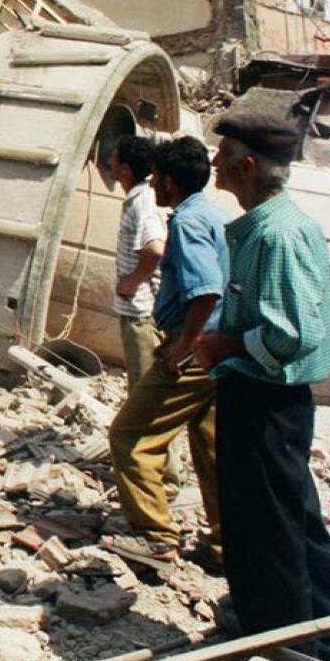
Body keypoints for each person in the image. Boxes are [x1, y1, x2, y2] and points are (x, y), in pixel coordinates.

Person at [193, 113, 330, 660]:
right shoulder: (272, 224)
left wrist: (225, 346)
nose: (214, 165)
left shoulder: (277, 232)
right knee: (291, 517)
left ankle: (288, 641)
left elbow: (292, 333)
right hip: (269, 399)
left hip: (265, 398)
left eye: (223, 156)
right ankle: (323, 634)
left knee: (269, 527)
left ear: (246, 166)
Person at [107, 136, 225, 567]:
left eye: (157, 175)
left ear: (170, 181)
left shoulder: (189, 222)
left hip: (193, 350)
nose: (152, 181)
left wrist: (184, 345)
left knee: (130, 435)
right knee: (212, 450)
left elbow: (206, 289)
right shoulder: (213, 215)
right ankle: (224, 545)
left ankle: (156, 537)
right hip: (217, 352)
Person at [108, 135, 181, 487]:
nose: (108, 164)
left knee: (146, 396)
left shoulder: (142, 202)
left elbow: (155, 248)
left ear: (123, 168)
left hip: (140, 312)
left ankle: (163, 475)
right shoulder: (139, 198)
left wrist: (132, 282)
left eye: (112, 159)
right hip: (138, 309)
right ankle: (158, 467)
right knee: (145, 392)